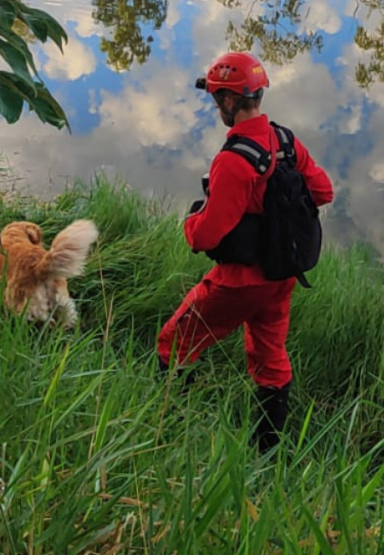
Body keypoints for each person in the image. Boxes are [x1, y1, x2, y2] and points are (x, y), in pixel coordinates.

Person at [156, 51, 334, 452]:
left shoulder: (233, 161)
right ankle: (266, 449)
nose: (217, 106)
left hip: (238, 282)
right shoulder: (285, 141)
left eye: (218, 98)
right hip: (281, 277)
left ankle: (166, 430)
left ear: (230, 101)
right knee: (270, 356)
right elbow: (323, 191)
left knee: (174, 341)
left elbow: (205, 236)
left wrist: (191, 222)